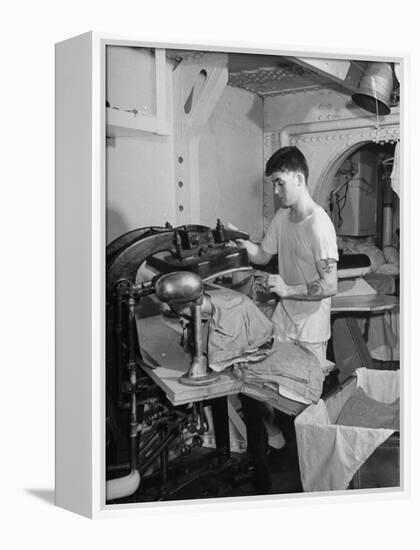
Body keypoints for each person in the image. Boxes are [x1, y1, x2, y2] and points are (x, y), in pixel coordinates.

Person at [232, 146, 339, 489]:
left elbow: (329, 285)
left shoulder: (320, 226)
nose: (276, 192)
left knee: (305, 402)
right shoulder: (283, 218)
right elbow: (263, 254)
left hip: (310, 326)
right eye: (272, 185)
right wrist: (237, 239)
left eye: (279, 183)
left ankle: (317, 471)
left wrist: (287, 289)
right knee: (262, 388)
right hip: (283, 321)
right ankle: (276, 443)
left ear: (298, 178)